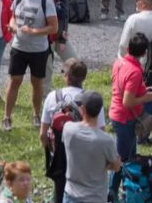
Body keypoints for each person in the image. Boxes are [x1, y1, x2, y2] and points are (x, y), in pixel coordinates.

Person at [39, 60, 106, 203]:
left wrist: (51, 151)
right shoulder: (91, 100)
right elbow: (101, 131)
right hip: (83, 158)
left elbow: (43, 134)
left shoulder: (52, 97)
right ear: (84, 78)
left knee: (59, 191)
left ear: (67, 76)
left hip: (58, 156)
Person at [3, 0, 57, 131]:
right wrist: (13, 25)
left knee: (37, 83)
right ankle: (7, 116)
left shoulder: (46, 1)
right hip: (18, 47)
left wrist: (33, 31)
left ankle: (36, 114)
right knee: (14, 81)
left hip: (38, 50)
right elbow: (13, 17)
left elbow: (54, 27)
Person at [108, 33, 152, 199]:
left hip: (117, 114)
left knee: (130, 156)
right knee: (120, 159)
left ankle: (128, 189)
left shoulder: (119, 63)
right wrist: (146, 97)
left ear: (128, 49)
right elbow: (128, 101)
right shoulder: (135, 72)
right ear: (144, 54)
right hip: (125, 118)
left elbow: (122, 88)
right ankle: (111, 192)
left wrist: (142, 90)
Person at [62, 91, 121, 203]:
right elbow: (117, 166)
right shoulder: (107, 140)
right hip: (96, 197)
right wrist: (101, 165)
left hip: (71, 195)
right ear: (99, 111)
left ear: (82, 109)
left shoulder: (68, 130)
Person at [41, 0, 77, 99]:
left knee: (74, 62)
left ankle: (73, 90)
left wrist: (62, 40)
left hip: (59, 35)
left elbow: (65, 18)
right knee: (47, 70)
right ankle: (46, 98)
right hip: (45, 39)